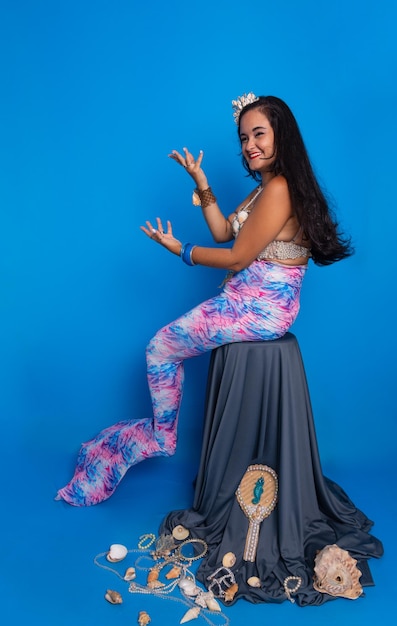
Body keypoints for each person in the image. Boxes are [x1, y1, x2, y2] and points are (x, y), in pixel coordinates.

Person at [56, 93, 353, 507]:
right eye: (244, 137)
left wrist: (181, 250)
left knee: (160, 349)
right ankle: (158, 435)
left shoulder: (280, 189)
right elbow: (223, 233)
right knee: (160, 348)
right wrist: (202, 183)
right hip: (243, 302)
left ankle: (161, 437)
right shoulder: (263, 191)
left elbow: (236, 256)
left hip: (258, 310)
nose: (250, 145)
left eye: (259, 134)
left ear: (281, 136)